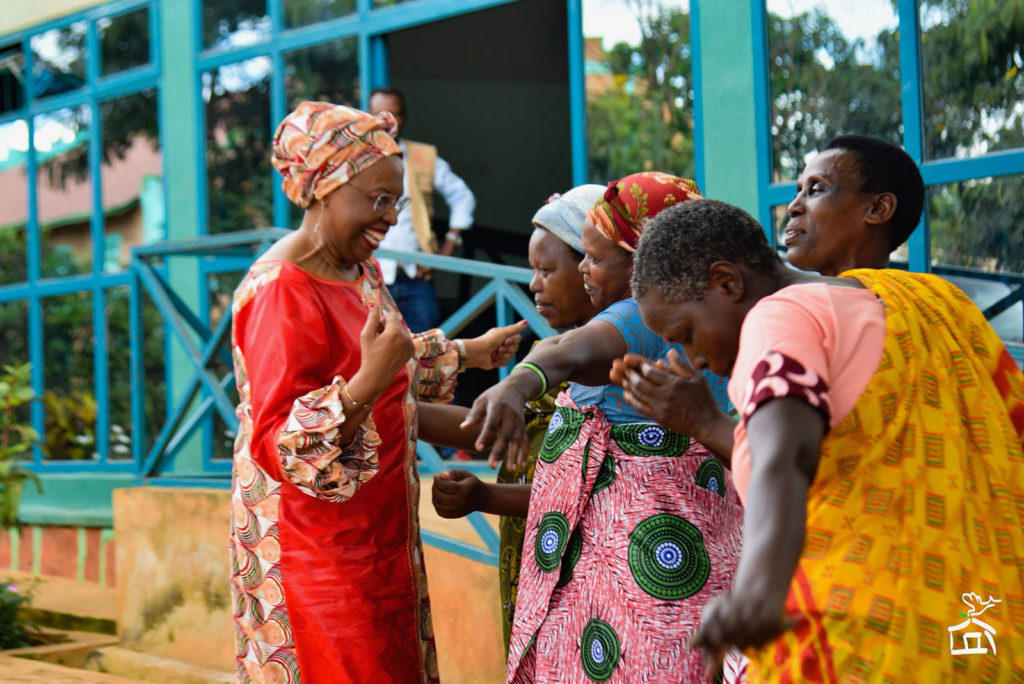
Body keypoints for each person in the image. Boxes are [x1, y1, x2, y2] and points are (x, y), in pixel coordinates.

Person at [628, 198, 1024, 682]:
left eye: (686, 333)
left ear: (726, 282)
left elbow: (787, 454)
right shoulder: (935, 301)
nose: (693, 358)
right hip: (980, 628)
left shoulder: (777, 319)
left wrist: (756, 591)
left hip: (859, 643)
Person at [228, 101, 526, 683]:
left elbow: (388, 375)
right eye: (377, 199)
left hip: (380, 533)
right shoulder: (281, 291)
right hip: (312, 548)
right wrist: (367, 384)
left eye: (397, 201)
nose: (389, 217)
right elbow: (278, 443)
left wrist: (466, 354)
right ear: (323, 187)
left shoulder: (357, 270)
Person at [460, 172, 745, 682]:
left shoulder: (639, 315)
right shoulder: (677, 316)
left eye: (593, 257)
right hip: (628, 592)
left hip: (648, 598)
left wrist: (520, 381)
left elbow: (572, 352)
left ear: (644, 260)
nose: (586, 270)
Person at [613, 134, 927, 462]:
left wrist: (704, 422)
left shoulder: (792, 319)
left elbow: (788, 469)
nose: (793, 206)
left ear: (878, 208)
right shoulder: (935, 299)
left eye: (816, 189)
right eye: (797, 190)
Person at [431, 184, 605, 653]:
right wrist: (385, 408)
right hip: (535, 557)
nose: (533, 285)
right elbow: (486, 425)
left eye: (547, 270)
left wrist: (485, 495)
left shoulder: (609, 375)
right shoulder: (545, 359)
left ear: (597, 266)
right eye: (532, 270)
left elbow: (580, 496)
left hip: (586, 578)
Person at [368, 86, 475, 333]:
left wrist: (449, 242)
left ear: (404, 117)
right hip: (369, 279)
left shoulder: (422, 157)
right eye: (379, 114)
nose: (386, 122)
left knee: (424, 357)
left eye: (393, 115)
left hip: (415, 279)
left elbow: (462, 196)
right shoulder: (355, 157)